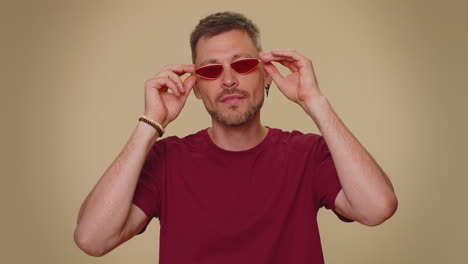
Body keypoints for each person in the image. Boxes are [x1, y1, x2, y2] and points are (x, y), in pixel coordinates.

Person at [74, 11, 398, 263]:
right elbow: (92, 239)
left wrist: (315, 103)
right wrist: (151, 123)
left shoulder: (307, 155)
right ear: (197, 89)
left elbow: (377, 208)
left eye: (242, 65)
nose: (228, 81)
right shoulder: (167, 159)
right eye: (212, 71)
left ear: (266, 75)